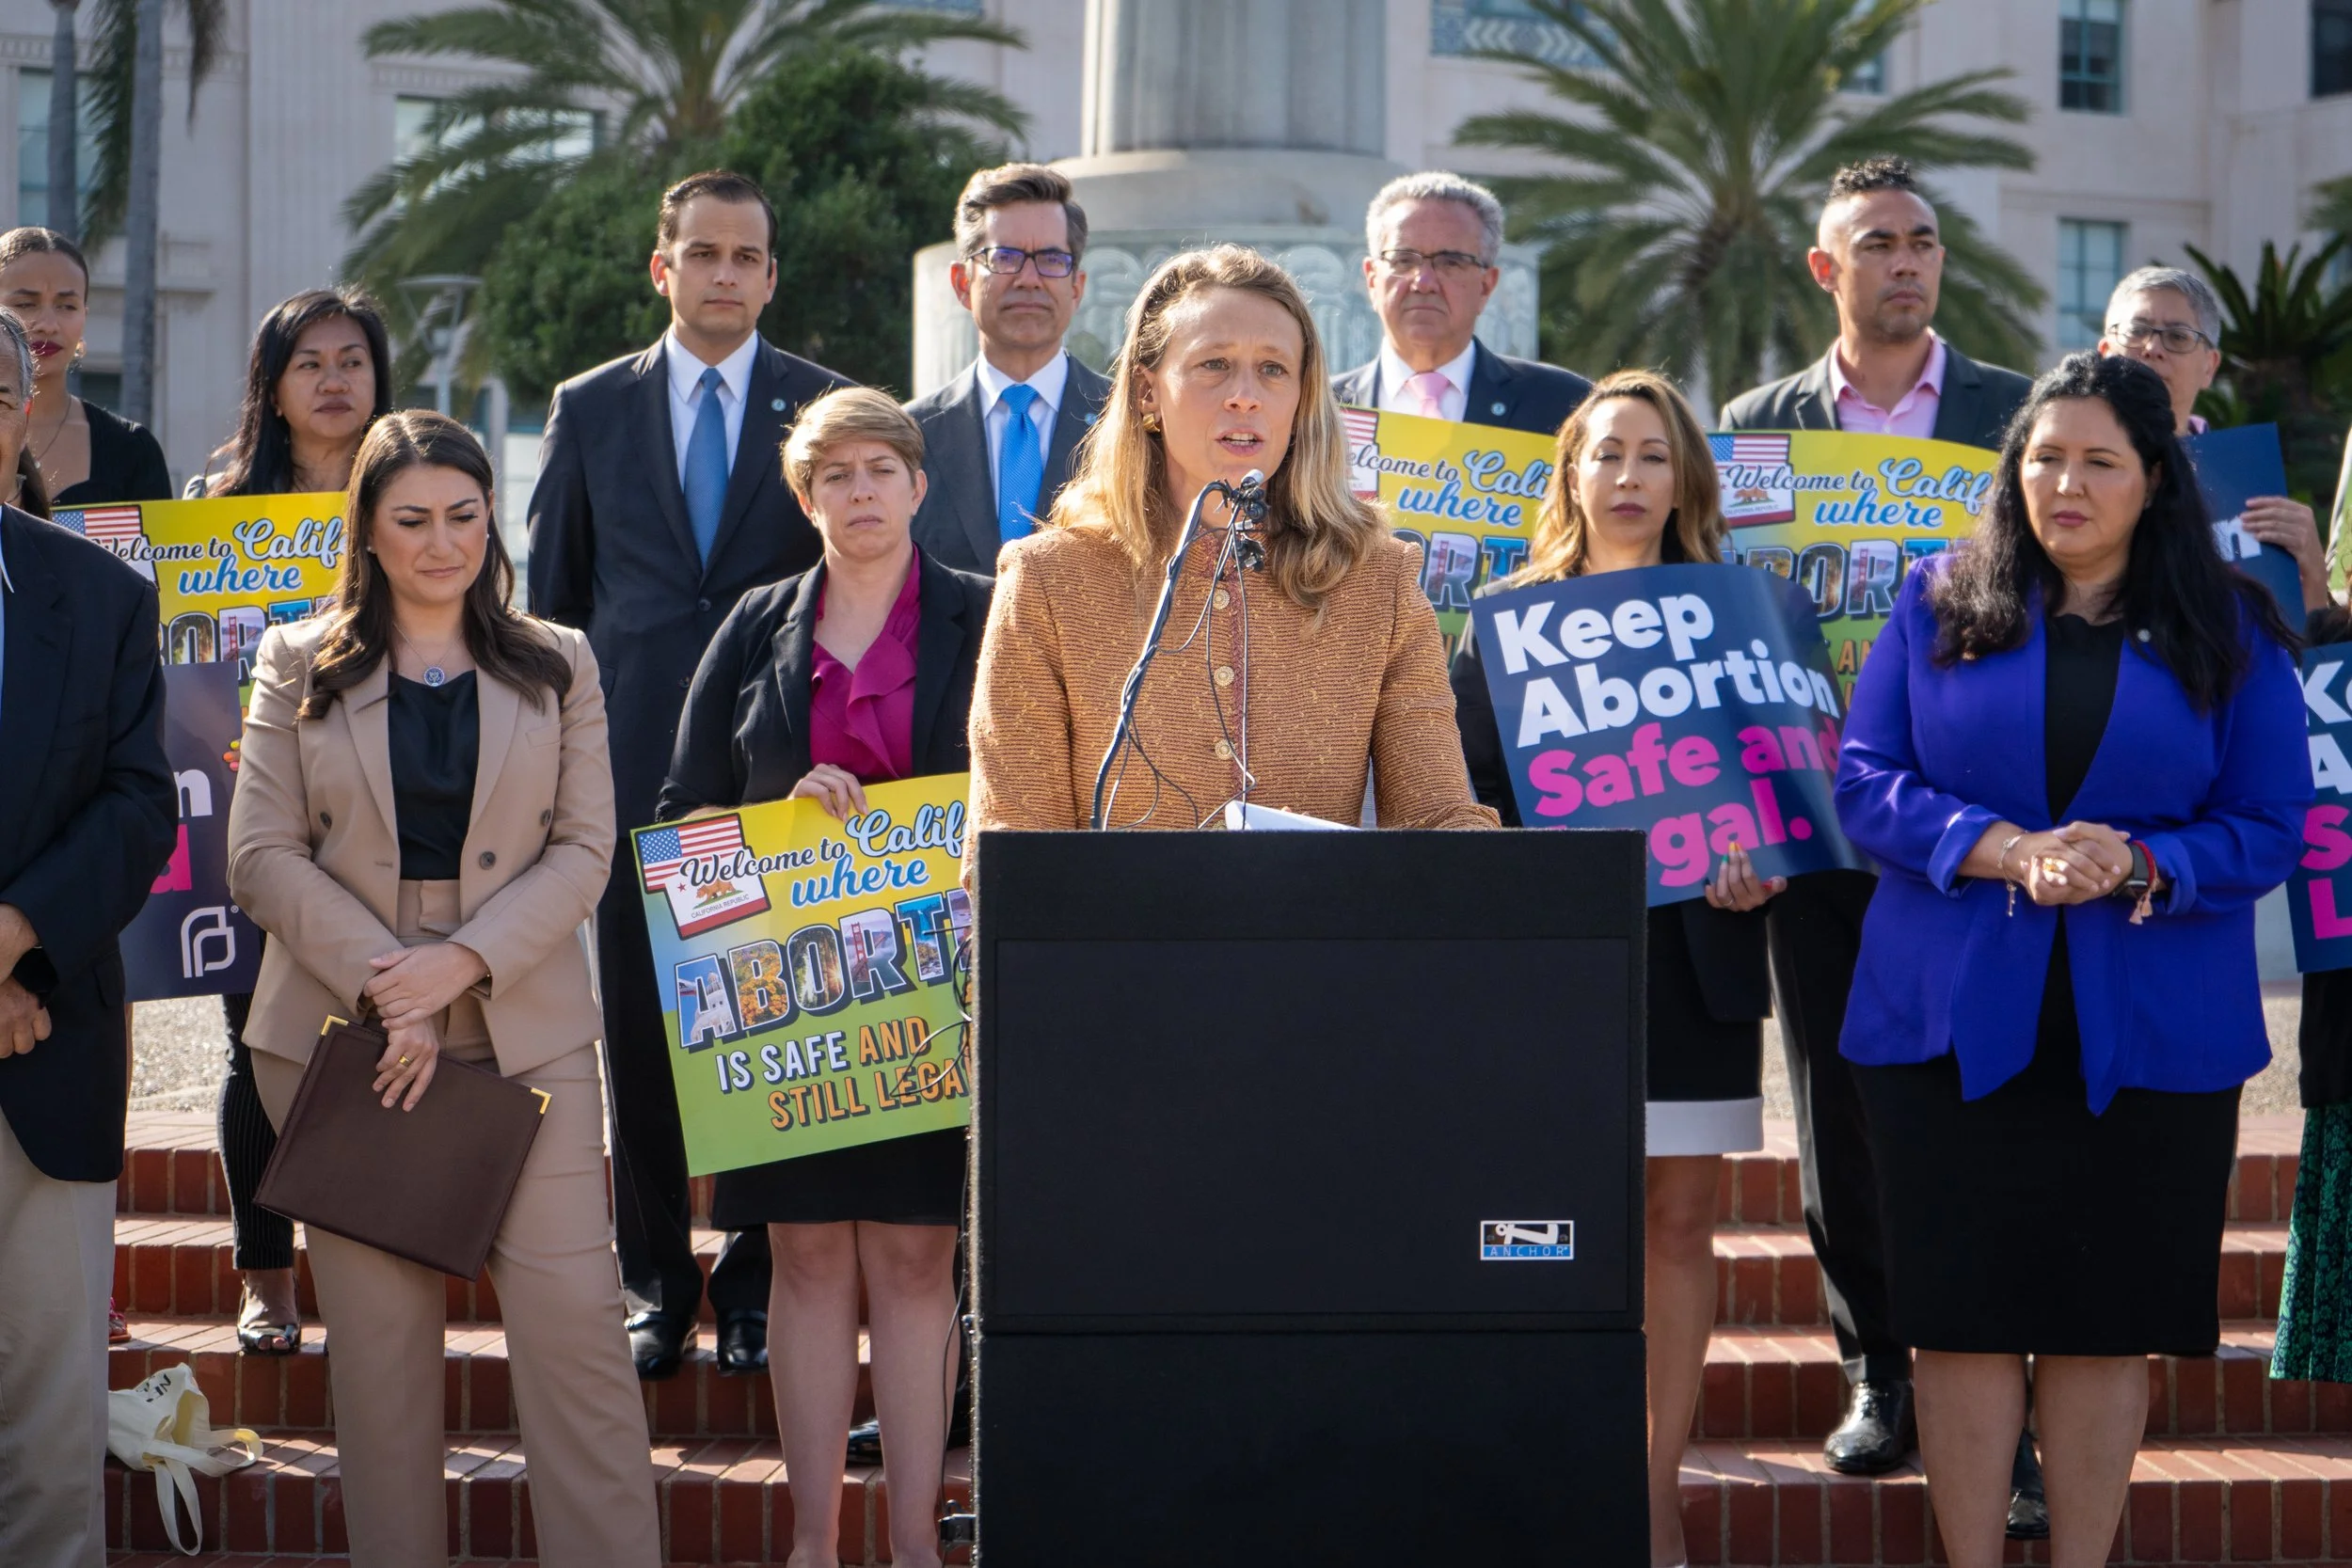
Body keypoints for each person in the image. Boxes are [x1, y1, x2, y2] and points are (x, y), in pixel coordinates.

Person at [1835, 352, 2308, 1567]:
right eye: (2045, 456)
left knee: (2107, 1325)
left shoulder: (2236, 625)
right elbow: (1867, 782)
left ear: (2155, 479)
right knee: (1962, 1321)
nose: (2067, 482)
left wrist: (2136, 862)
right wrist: (1997, 846)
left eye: (2100, 460)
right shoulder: (1936, 599)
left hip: (2153, 1029)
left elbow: (2268, 823)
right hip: (1941, 1022)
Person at [225, 412, 659, 1568]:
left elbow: (584, 848)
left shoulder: (560, 658)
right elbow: (259, 852)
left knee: (579, 1344)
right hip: (341, 1026)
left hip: (524, 1025)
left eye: (464, 515)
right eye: (411, 519)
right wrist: (393, 985)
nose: (442, 541)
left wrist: (455, 965)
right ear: (365, 527)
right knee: (380, 1368)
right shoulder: (293, 658)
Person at [1717, 153, 2034, 1490]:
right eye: (1878, 242)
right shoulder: (1757, 427)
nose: (1904, 261)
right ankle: (1881, 1369)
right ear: (1825, 266)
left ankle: (2010, 1397)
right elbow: (1723, 637)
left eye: (1922, 241)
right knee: (1837, 1101)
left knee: (1995, 1099)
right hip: (1815, 824)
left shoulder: (2014, 415)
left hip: (1984, 826)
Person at [1450, 369, 1780, 1568]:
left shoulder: (1742, 616)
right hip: (1552, 972)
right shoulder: (1504, 621)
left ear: (1683, 476)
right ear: (1570, 475)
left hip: (1696, 953)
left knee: (1677, 1221)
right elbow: (1461, 801)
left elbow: (1793, 783)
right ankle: (1548, 1468)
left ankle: (1652, 1490)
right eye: (1606, 454)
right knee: (1543, 1226)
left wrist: (1768, 857)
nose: (1629, 476)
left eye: (1651, 454)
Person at [529, 168, 853, 1382]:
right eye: (702, 253)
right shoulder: (589, 407)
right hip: (625, 775)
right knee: (644, 1037)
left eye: (747, 256)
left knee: (765, 1031)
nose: (725, 273)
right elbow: (556, 604)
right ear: (661, 268)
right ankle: (657, 1284)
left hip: (771, 783)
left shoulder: (819, 407)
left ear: (771, 276)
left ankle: (757, 1284)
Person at [659, 388, 989, 1568]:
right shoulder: (755, 627)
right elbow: (677, 817)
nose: (859, 492)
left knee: (913, 1257)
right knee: (802, 1256)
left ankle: (909, 1543)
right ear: (804, 499)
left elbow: (1035, 784)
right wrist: (767, 819)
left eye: (879, 469)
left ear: (916, 483)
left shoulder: (985, 617)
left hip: (931, 1005)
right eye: (833, 475)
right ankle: (811, 1539)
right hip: (788, 1014)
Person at [971, 242, 1494, 837]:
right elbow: (1011, 842)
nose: (1244, 394)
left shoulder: (1379, 577)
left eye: (1273, 369)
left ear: (1300, 402)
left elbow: (1439, 816)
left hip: (1317, 928)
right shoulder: (1048, 579)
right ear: (1148, 394)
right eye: (1213, 364)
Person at [0, 303, 176, 1568]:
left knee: (49, 1410)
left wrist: (15, 938)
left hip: (49, 1035)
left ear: (23, 409)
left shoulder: (105, 596)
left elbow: (136, 804)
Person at [198, 286, 396, 1358]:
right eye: (310, 361)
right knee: (255, 1040)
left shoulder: (412, 492)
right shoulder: (212, 505)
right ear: (272, 386)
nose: (334, 378)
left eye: (352, 358)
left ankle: (369, 1271)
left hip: (383, 815)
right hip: (249, 811)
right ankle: (266, 1274)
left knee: (374, 1037)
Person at [907, 163, 1111, 575]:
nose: (1029, 279)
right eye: (1005, 257)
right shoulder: (909, 437)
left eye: (1052, 259)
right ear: (962, 284)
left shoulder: (1127, 424)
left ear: (1077, 286)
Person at [2096, 265, 2331, 612]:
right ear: (2105, 352)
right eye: (2136, 331)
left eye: (2177, 337)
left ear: (2210, 366)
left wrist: (2311, 574)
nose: (2152, 348)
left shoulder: (2243, 488)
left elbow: (2295, 643)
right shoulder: (2057, 471)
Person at [1331, 171, 1590, 436]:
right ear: (1372, 279)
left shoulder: (1564, 406)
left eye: (1450, 262)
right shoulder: (1317, 412)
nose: (1423, 282)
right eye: (1403, 260)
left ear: (1486, 286)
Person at [0, 228, 170, 506]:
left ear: (84, 315)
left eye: (67, 306)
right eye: (26, 304)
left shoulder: (131, 449)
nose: (48, 324)